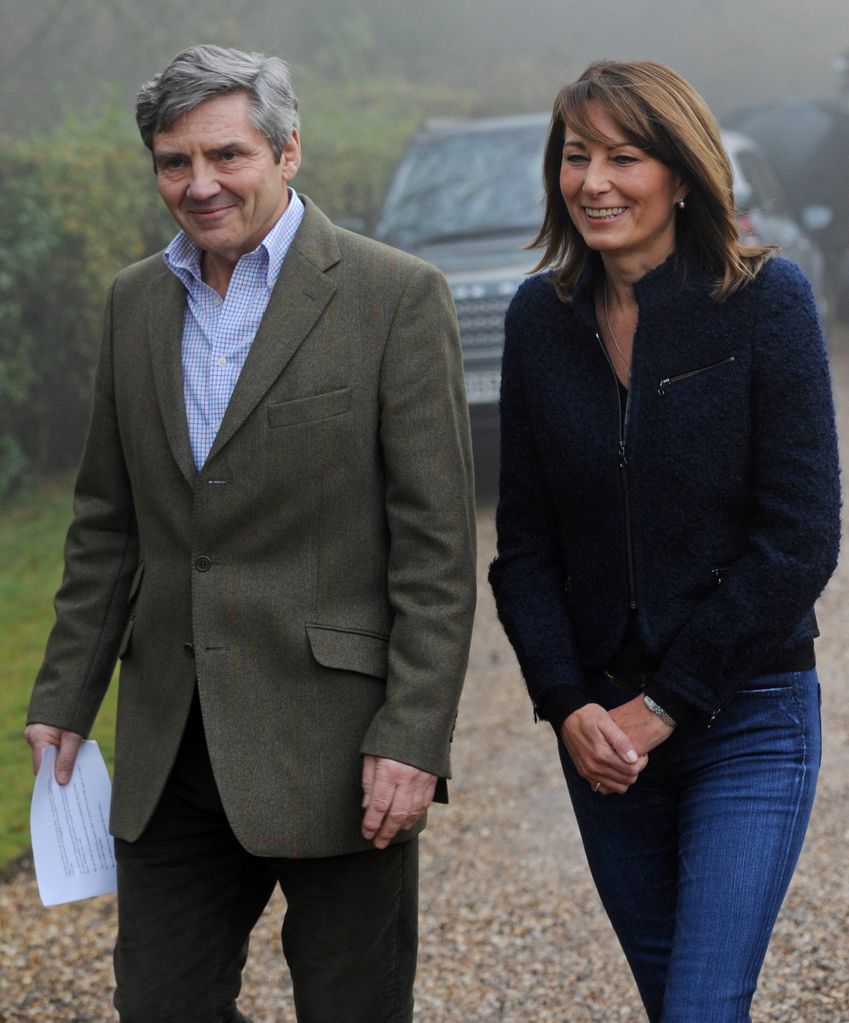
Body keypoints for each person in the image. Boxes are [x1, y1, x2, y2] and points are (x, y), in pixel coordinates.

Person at [25, 44, 476, 1023]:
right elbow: (108, 522)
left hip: (341, 752)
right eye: (173, 161)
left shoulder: (394, 296)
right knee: (158, 1005)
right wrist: (65, 693)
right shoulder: (133, 301)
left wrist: (414, 736)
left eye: (226, 155)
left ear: (287, 153)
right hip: (171, 746)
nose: (199, 184)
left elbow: (436, 549)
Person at [489, 59, 840, 1023]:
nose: (593, 180)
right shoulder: (539, 319)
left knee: (700, 1005)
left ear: (681, 173)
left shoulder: (766, 300)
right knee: (675, 1004)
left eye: (624, 156)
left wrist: (667, 704)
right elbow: (522, 546)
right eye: (575, 156)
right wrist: (566, 704)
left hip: (748, 712)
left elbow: (802, 534)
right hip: (601, 739)